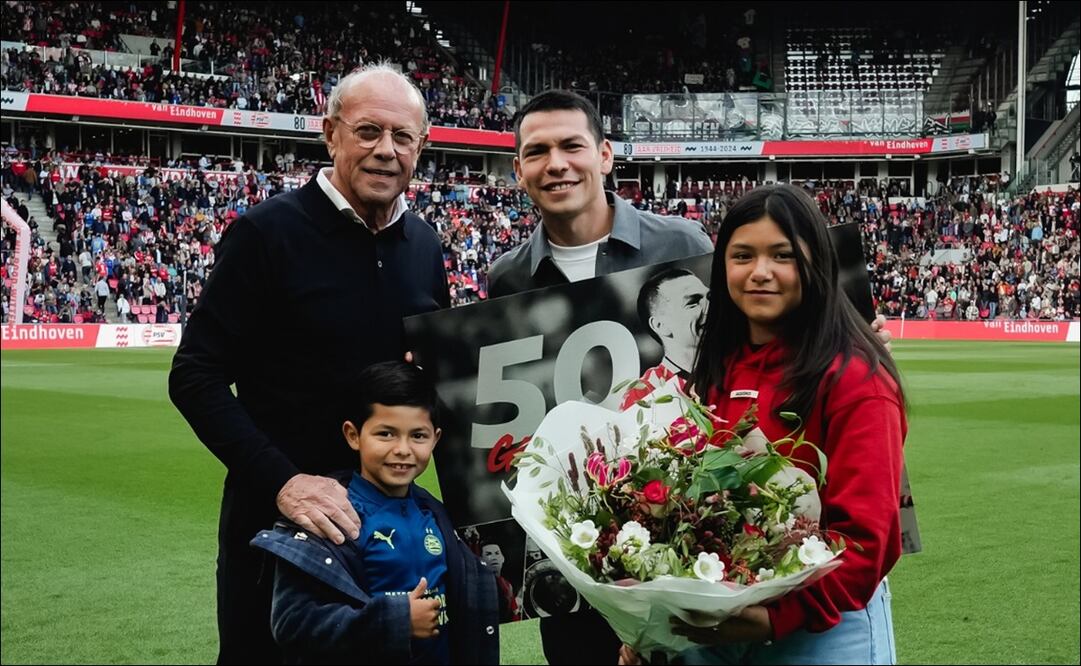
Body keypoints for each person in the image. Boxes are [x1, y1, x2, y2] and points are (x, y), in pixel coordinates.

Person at [169, 64, 449, 664]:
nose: (385, 150)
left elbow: (430, 383)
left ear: (422, 147)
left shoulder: (425, 247)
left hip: (389, 535)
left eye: (403, 137)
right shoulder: (266, 234)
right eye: (368, 130)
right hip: (277, 530)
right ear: (330, 133)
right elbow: (194, 373)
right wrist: (283, 482)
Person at [623, 184, 907, 665]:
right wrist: (649, 619)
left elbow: (867, 540)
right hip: (721, 628)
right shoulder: (716, 371)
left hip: (823, 629)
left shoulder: (857, 378)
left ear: (815, 263)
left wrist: (780, 617)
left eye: (782, 255)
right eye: (742, 256)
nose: (760, 273)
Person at [486, 89, 714, 664]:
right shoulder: (508, 278)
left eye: (572, 145)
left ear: (606, 154)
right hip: (580, 552)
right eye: (537, 151)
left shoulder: (682, 246)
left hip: (687, 534)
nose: (556, 163)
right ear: (518, 170)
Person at [250, 361, 499, 664]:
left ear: (435, 438)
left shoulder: (438, 515)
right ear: (353, 435)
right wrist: (397, 621)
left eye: (418, 436)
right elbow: (293, 623)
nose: (403, 449)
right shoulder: (328, 518)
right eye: (386, 434)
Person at [620, 267, 709, 410]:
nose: (711, 307)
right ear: (660, 326)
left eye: (710, 297)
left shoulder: (740, 362)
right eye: (693, 302)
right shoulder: (643, 394)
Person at [480, 542, 521, 622]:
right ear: (481, 560)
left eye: (497, 553)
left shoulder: (508, 585)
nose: (494, 557)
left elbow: (514, 615)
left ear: (503, 558)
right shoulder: (478, 584)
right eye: (488, 554)